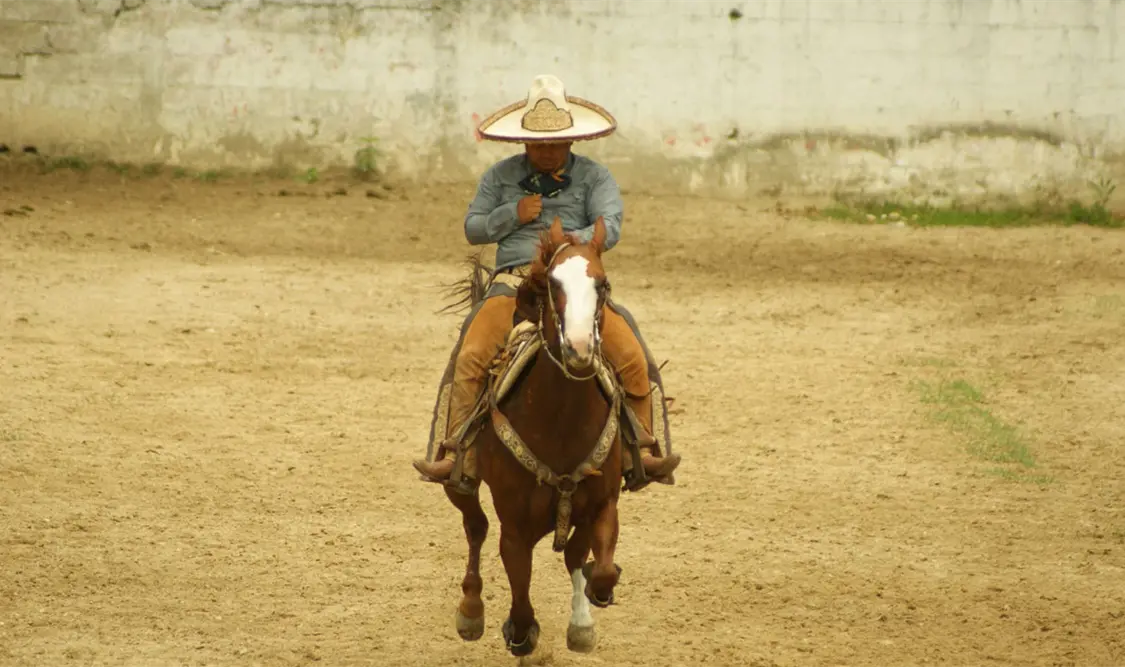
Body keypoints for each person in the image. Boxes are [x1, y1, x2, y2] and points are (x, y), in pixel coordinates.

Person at [413, 74, 681, 490]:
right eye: (538, 144)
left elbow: (610, 224)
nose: (547, 151)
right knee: (471, 354)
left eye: (555, 144)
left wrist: (575, 244)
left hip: (575, 281)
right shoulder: (499, 178)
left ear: (572, 141)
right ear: (524, 142)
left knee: (632, 354)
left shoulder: (595, 179)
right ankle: (457, 454)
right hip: (513, 283)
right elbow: (473, 228)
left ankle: (641, 451)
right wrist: (512, 215)